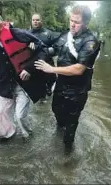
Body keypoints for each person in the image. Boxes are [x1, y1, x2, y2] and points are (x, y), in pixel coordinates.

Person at [35, 5, 101, 154]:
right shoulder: (66, 35)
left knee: (71, 125)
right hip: (61, 85)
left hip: (78, 90)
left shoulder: (91, 42)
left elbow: (79, 69)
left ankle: (67, 155)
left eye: (76, 22)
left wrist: (51, 69)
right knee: (56, 110)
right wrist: (35, 51)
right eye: (71, 20)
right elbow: (51, 49)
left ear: (85, 23)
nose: (72, 24)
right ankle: (59, 131)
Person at [0, 11, 48, 140]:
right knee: (2, 113)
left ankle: (28, 135)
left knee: (20, 116)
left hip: (23, 83)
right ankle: (7, 135)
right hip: (3, 83)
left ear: (1, 25)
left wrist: (29, 69)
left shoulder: (18, 34)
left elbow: (44, 50)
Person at [29, 13, 60, 103]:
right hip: (35, 64)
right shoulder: (27, 34)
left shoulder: (48, 33)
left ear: (41, 21)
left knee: (51, 82)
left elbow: (57, 47)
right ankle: (41, 99)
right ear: (31, 21)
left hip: (48, 63)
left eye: (37, 20)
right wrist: (28, 45)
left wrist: (48, 51)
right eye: (34, 20)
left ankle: (49, 90)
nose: (35, 22)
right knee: (38, 87)